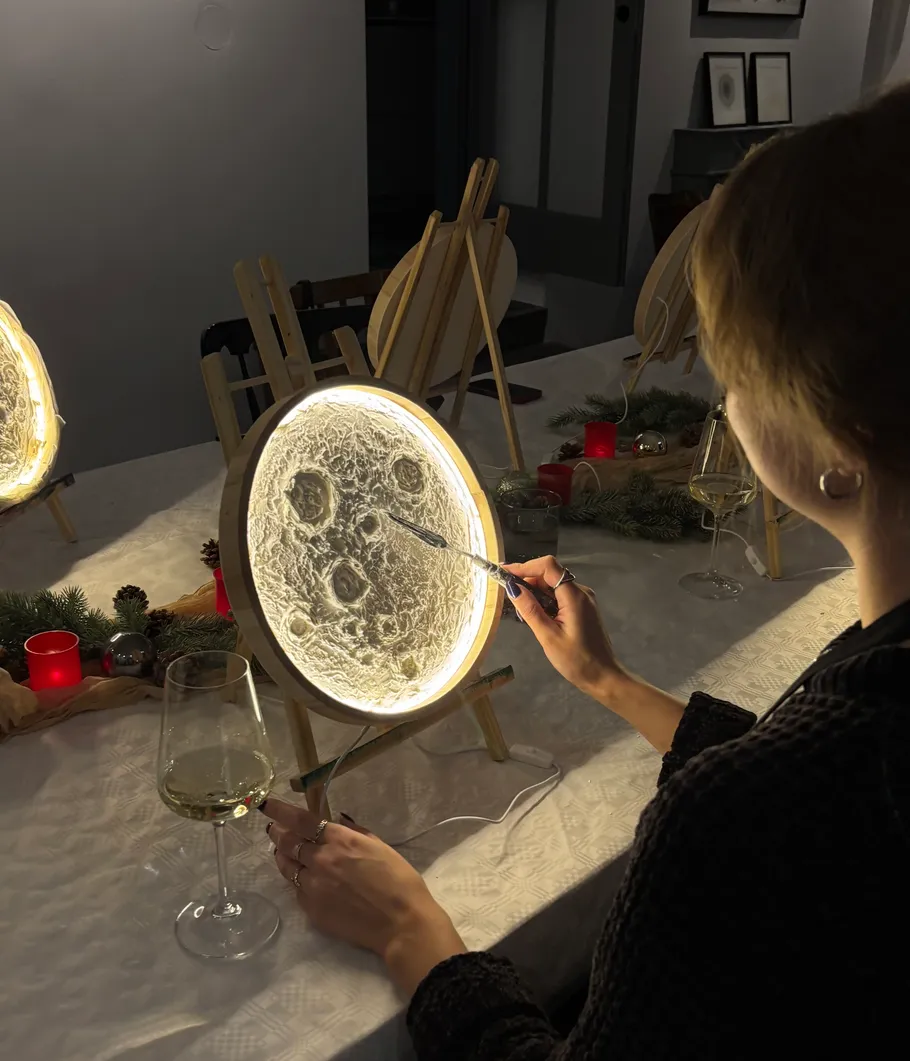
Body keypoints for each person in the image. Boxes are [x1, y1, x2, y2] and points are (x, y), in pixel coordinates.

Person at [261, 84, 910, 1058]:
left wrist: (410, 927)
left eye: (734, 375)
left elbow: (784, 811)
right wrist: (614, 685)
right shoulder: (851, 724)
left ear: (838, 436)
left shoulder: (744, 815)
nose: (722, 403)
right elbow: (822, 811)